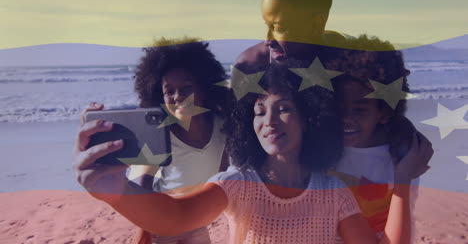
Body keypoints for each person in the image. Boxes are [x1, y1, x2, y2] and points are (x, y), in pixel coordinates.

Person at [74, 65, 421, 243]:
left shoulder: (333, 193)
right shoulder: (238, 184)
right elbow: (175, 216)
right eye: (258, 110)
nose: (268, 121)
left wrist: (403, 180)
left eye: (283, 108)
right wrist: (115, 190)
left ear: (309, 118)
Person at [75, 38, 230, 244]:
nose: (177, 97)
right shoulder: (162, 133)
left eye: (186, 88)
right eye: (169, 91)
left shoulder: (222, 126)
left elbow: (224, 173)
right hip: (162, 219)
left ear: (203, 87)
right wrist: (144, 229)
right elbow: (143, 182)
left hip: (196, 218)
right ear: (158, 94)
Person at [326, 35, 433, 242]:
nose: (347, 118)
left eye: (360, 110)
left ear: (383, 111)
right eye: (339, 108)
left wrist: (404, 176)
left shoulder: (403, 155)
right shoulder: (324, 149)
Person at [235, 0, 349, 73]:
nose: (268, 40)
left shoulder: (353, 61)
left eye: (279, 28)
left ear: (316, 24)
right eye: (267, 25)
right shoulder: (251, 65)